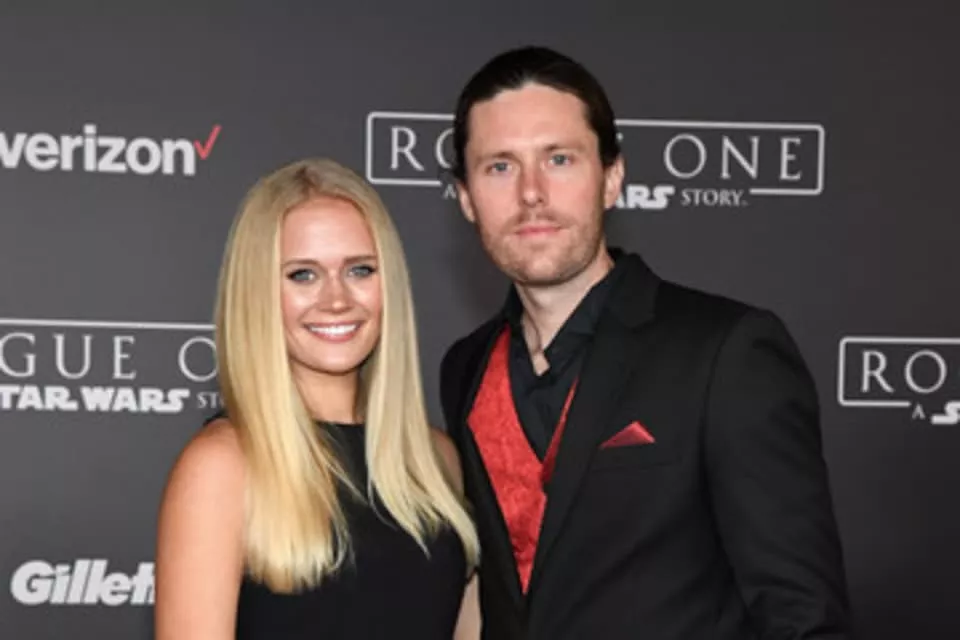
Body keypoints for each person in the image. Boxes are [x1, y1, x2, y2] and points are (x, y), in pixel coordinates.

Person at [439, 46, 851, 639]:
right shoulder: (466, 367)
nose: (531, 192)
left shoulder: (726, 353)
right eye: (500, 167)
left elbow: (802, 615)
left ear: (611, 179)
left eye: (559, 159)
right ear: (465, 197)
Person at [155, 158, 481, 639]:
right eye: (303, 275)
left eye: (360, 270)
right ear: (258, 292)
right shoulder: (222, 467)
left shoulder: (436, 460)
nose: (336, 299)